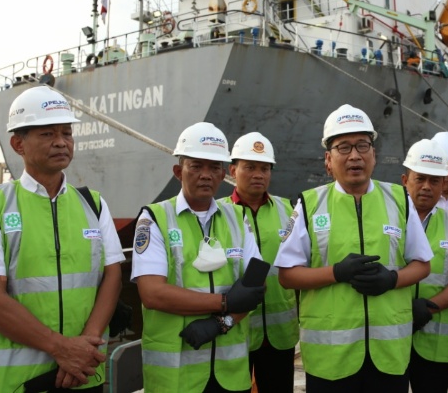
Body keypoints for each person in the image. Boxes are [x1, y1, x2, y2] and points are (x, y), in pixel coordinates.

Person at [0, 85, 125, 392]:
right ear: (18, 143)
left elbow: (112, 276)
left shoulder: (93, 204)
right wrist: (62, 349)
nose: (61, 142)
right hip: (12, 382)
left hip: (83, 376)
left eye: (66, 133)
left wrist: (85, 347)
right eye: (47, 134)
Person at [274, 104, 432, 392]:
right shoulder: (308, 205)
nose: (355, 155)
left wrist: (392, 279)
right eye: (343, 147)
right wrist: (336, 272)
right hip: (330, 359)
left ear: (374, 154)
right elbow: (287, 275)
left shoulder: (400, 200)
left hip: (388, 357)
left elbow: (423, 264)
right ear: (328, 159)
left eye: (363, 145)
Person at [132, 122, 265, 393]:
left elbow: (254, 287)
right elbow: (152, 293)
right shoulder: (154, 218)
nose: (206, 175)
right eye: (196, 166)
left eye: (215, 167)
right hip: (176, 378)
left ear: (223, 174)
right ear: (178, 171)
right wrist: (225, 302)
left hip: (230, 375)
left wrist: (221, 323)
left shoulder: (238, 218)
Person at [218, 132, 298, 393]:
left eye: (264, 168)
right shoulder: (219, 214)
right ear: (233, 170)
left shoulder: (289, 211)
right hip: (237, 331)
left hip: (280, 335)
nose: (258, 174)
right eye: (249, 167)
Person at [401, 139, 448, 393]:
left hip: (436, 342)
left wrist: (429, 307)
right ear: (405, 180)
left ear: (443, 183)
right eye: (419, 178)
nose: (426, 187)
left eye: (434, 181)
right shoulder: (387, 216)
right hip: (390, 337)